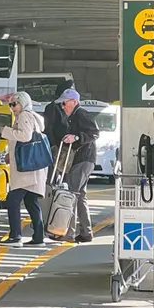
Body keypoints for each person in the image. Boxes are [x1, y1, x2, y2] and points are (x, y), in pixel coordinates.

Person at [0, 92, 48, 247]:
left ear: (23, 103)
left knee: (12, 200)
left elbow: (25, 137)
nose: (12, 107)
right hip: (34, 168)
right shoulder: (33, 116)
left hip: (25, 170)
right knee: (31, 201)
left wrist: (4, 131)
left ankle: (15, 236)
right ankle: (39, 237)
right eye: (10, 104)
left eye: (15, 104)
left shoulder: (24, 116)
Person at [55, 88, 100, 243]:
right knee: (80, 196)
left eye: (64, 103)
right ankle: (86, 233)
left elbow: (94, 132)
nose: (62, 106)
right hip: (85, 159)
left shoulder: (81, 114)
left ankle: (69, 233)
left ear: (74, 102)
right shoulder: (75, 115)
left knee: (71, 195)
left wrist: (75, 137)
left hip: (83, 159)